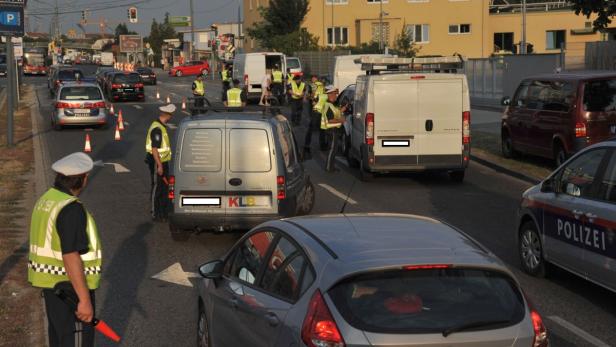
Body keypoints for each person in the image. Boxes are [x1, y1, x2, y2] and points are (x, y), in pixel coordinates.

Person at [28, 152, 102, 347]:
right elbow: (70, 255)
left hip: (53, 288)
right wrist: (84, 300)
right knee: (75, 340)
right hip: (71, 289)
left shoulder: (47, 199)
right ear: (82, 179)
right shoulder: (71, 209)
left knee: (59, 339)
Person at [145, 104, 175, 222]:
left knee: (164, 188)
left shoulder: (161, 126)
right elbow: (154, 148)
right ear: (167, 115)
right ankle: (156, 213)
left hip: (163, 161)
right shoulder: (157, 128)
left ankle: (163, 212)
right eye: (171, 114)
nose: (171, 117)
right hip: (157, 162)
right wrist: (160, 165)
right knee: (158, 187)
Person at [321, 86, 347, 172]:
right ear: (331, 94)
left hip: (333, 130)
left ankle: (331, 166)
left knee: (334, 149)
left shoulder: (331, 104)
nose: (336, 96)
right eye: (335, 94)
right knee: (332, 150)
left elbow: (336, 112)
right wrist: (341, 120)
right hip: (331, 131)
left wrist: (344, 108)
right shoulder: (328, 105)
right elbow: (330, 120)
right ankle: (329, 167)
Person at [303, 76, 327, 159]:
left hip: (317, 109)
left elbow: (310, 96)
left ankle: (307, 145)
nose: (313, 81)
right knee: (321, 128)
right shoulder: (323, 87)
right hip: (321, 110)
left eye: (314, 79)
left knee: (312, 128)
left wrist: (312, 99)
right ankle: (322, 145)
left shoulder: (313, 86)